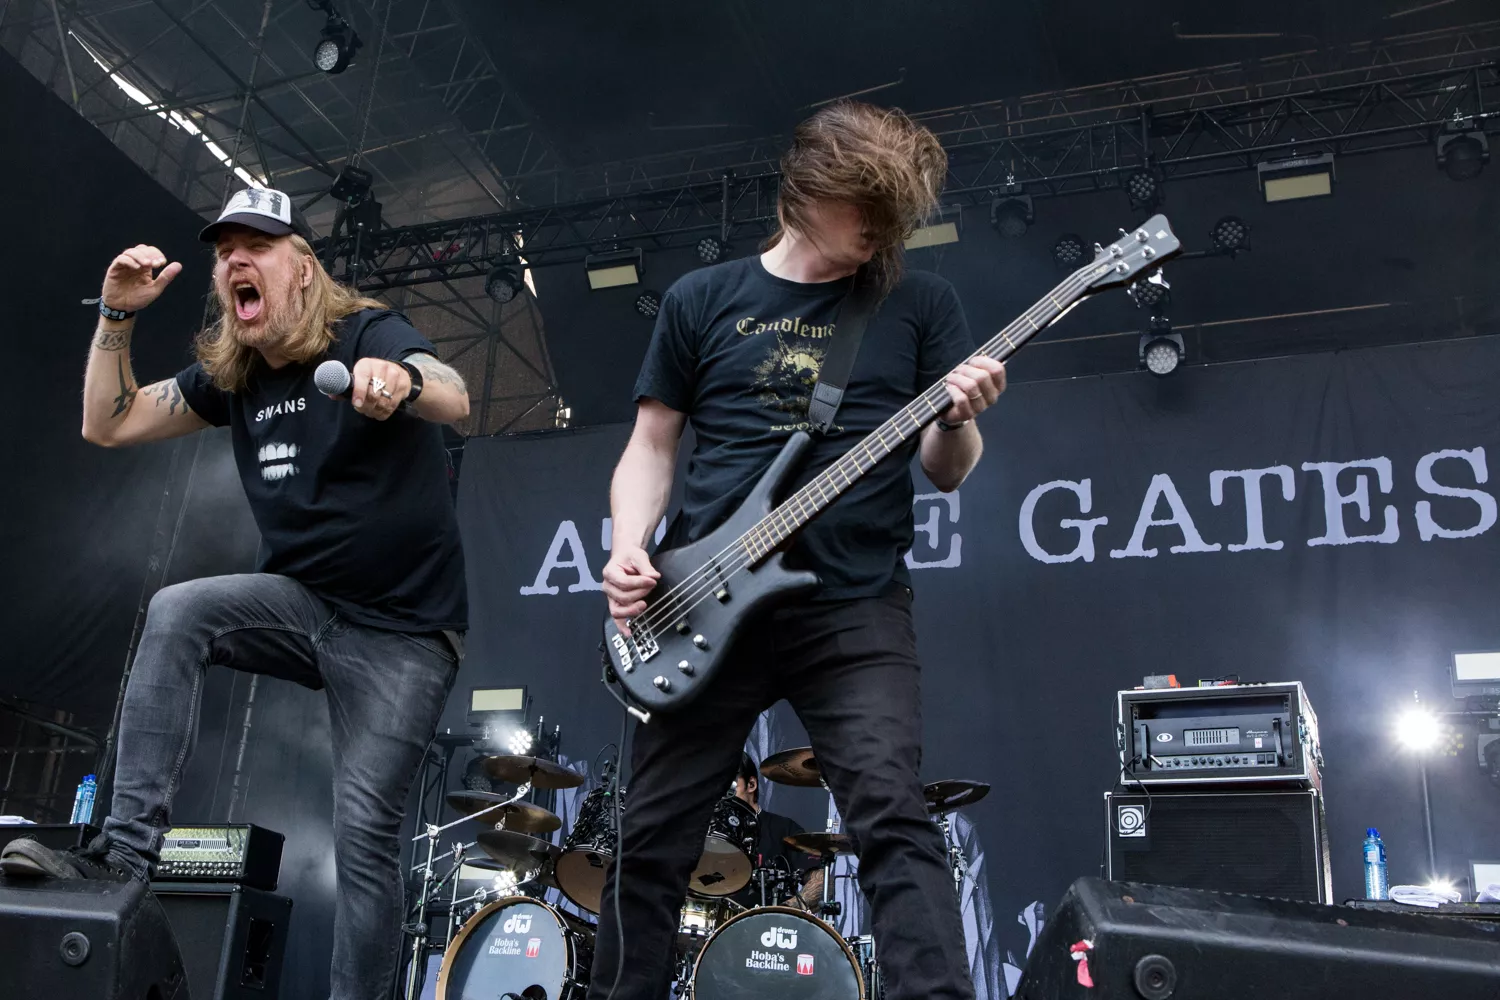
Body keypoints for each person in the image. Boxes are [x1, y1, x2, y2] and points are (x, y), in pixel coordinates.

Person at [0, 188, 471, 1000]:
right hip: (305, 607)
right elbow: (108, 423)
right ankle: (122, 856)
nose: (234, 262)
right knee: (179, 610)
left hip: (403, 632)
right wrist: (117, 317)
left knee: (365, 838)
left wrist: (398, 381)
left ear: (301, 268)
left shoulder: (365, 331)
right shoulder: (237, 376)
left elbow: (454, 394)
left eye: (255, 245)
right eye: (223, 252)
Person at [593, 101, 1005, 1000]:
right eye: (869, 208)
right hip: (700, 601)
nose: (883, 231)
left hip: (853, 604)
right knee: (651, 838)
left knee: (893, 820)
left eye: (896, 215)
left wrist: (958, 419)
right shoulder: (705, 299)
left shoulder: (919, 302)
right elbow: (651, 447)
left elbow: (948, 471)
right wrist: (629, 548)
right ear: (810, 192)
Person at [729, 750, 809, 908]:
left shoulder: (784, 829)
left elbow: (820, 880)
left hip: (765, 929)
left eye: (731, 786)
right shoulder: (705, 831)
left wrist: (781, 913)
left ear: (751, 785)